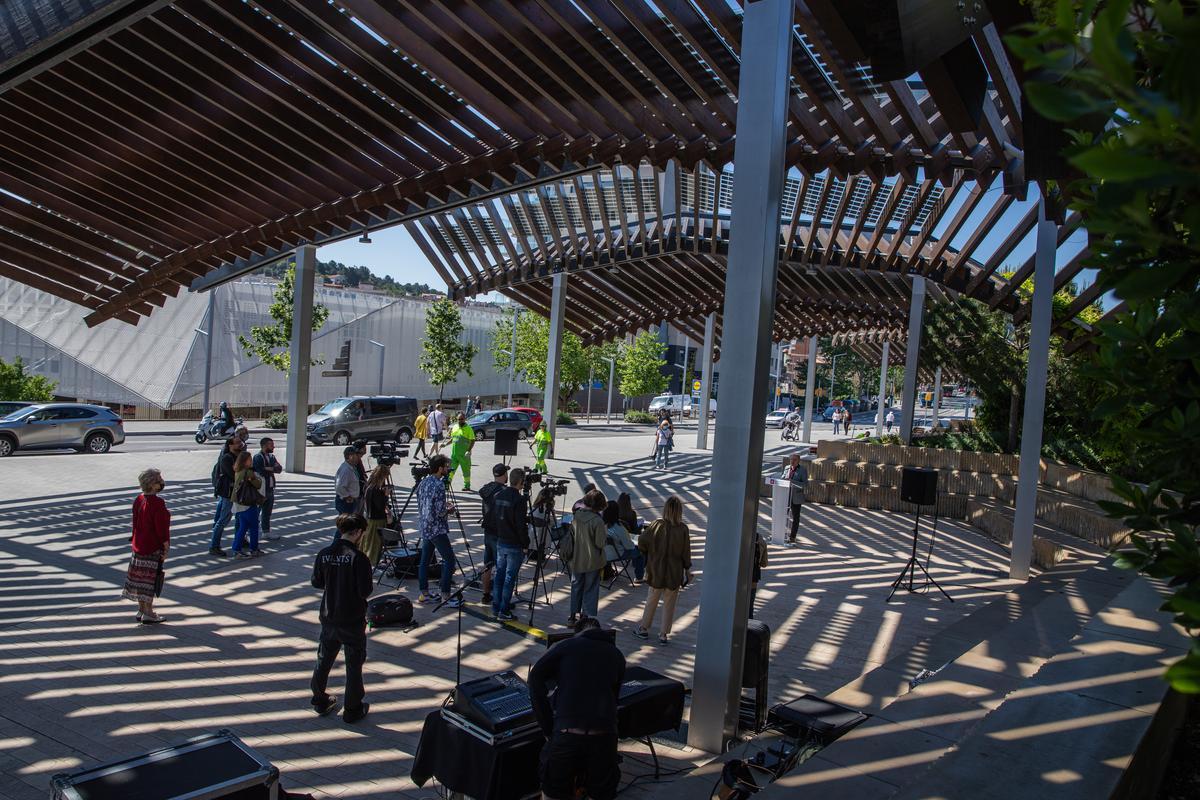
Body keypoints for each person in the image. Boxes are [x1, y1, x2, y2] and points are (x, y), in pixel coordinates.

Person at [528, 616, 626, 800]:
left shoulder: (565, 646)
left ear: (578, 632)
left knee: (553, 792)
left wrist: (547, 726)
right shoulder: (617, 655)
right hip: (604, 736)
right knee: (601, 793)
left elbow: (535, 678)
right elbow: (615, 698)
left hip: (567, 732)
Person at [310, 513, 374, 724]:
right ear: (357, 532)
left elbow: (317, 582)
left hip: (329, 615)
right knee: (353, 664)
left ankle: (319, 698)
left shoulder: (324, 553)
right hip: (352, 618)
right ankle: (352, 708)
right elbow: (365, 591)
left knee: (324, 659)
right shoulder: (359, 558)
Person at [633, 496, 691, 645]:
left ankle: (644, 628)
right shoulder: (683, 529)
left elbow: (642, 542)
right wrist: (687, 570)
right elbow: (686, 553)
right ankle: (663, 634)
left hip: (656, 570)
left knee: (651, 601)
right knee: (669, 604)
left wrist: (649, 552)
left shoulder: (656, 525)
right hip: (674, 572)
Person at [122, 468, 170, 624]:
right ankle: (148, 612)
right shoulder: (157, 503)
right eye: (159, 479)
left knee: (140, 580)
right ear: (152, 484)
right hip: (151, 547)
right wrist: (165, 546)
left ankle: (141, 609)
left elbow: (135, 522)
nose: (162, 482)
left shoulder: (139, 499)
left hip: (138, 546)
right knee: (150, 581)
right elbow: (161, 528)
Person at [417, 455, 460, 606]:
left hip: (425, 526)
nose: (448, 469)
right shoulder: (439, 485)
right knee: (449, 560)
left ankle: (424, 593)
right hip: (436, 528)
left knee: (424, 560)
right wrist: (449, 509)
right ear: (440, 468)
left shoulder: (424, 482)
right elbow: (439, 511)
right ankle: (446, 595)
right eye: (446, 466)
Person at [491, 467, 529, 621]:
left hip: (501, 541)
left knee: (500, 574)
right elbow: (521, 525)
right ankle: (504, 609)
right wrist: (525, 543)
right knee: (509, 577)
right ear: (520, 482)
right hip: (514, 543)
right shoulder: (519, 500)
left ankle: (496, 605)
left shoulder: (499, 495)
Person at [567, 489, 608, 626]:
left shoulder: (577, 516)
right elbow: (600, 543)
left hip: (576, 558)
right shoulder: (597, 521)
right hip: (593, 561)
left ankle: (572, 616)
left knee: (576, 586)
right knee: (590, 589)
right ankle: (584, 617)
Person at [478, 463, 509, 604]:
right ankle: (498, 599)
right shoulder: (505, 491)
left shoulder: (487, 488)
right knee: (500, 567)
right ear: (505, 475)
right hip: (499, 533)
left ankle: (485, 594)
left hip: (487, 531)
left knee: (487, 564)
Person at [208, 436, 243, 557]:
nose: (240, 444)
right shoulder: (227, 458)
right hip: (228, 493)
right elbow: (234, 475)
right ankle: (214, 546)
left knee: (239, 517)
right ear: (230, 446)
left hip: (237, 492)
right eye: (237, 443)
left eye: (240, 442)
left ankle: (240, 539)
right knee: (223, 520)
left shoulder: (239, 457)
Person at [231, 449, 263, 558]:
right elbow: (258, 484)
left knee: (243, 527)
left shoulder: (237, 471)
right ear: (244, 461)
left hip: (239, 504)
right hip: (248, 503)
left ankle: (236, 549)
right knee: (254, 527)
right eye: (249, 459)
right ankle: (254, 549)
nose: (251, 461)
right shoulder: (248, 472)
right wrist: (255, 478)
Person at [602, 500, 644, 582]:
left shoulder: (600, 525)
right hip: (617, 554)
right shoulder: (619, 528)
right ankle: (639, 577)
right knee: (640, 553)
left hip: (602, 554)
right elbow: (629, 546)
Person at [360, 463, 392, 566]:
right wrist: (386, 496)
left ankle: (369, 562)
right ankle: (372, 562)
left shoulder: (369, 486)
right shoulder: (375, 489)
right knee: (375, 544)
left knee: (369, 542)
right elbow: (379, 505)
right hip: (377, 520)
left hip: (370, 519)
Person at [252, 437, 283, 541]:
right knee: (256, 512)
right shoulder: (258, 457)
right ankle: (252, 533)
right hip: (261, 490)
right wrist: (271, 468)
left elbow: (279, 469)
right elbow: (261, 470)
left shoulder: (271, 456)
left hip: (270, 488)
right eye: (271, 445)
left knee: (267, 512)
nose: (273, 446)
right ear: (264, 445)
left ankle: (266, 532)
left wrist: (268, 468)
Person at [782, 453, 809, 546]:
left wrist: (792, 481)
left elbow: (805, 484)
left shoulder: (802, 470)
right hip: (785, 495)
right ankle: (780, 534)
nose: (792, 461)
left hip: (796, 497)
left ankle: (792, 537)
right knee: (782, 515)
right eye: (791, 460)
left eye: (794, 460)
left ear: (798, 461)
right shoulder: (786, 468)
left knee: (795, 518)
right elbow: (782, 478)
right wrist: (783, 479)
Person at [447, 412, 475, 491]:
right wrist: (445, 444)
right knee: (450, 471)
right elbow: (453, 439)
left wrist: (468, 451)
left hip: (464, 455)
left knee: (466, 471)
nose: (460, 421)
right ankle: (447, 484)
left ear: (465, 419)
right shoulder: (455, 427)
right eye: (458, 419)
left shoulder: (468, 428)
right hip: (454, 454)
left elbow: (472, 440)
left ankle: (467, 485)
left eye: (461, 419)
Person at [334, 446, 362, 515]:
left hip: (349, 502)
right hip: (346, 503)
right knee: (347, 523)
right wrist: (348, 497)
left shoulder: (351, 467)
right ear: (350, 457)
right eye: (356, 455)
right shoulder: (346, 470)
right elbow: (339, 487)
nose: (358, 457)